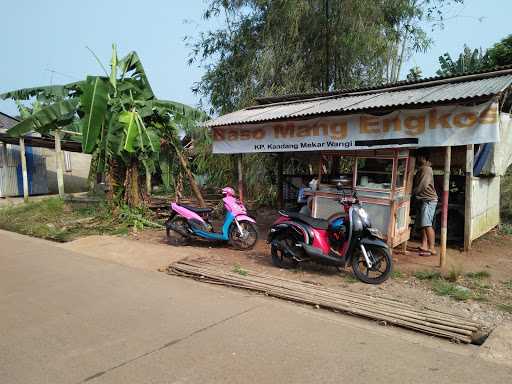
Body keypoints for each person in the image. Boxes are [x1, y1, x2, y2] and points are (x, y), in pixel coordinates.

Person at [413, 149, 438, 256]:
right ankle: (424, 244)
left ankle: (432, 248)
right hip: (423, 199)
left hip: (428, 200)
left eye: (418, 157)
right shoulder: (423, 169)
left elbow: (423, 185)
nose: (417, 159)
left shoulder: (426, 169)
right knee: (422, 223)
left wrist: (413, 193)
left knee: (427, 224)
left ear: (423, 158)